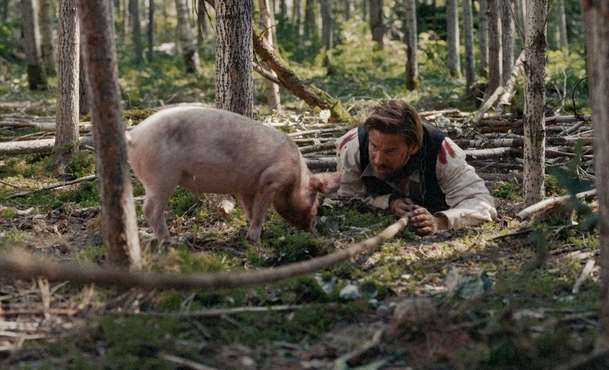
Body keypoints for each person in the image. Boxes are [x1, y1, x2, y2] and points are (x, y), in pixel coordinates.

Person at [335, 100, 496, 236]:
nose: (378, 160)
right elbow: (347, 200)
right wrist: (388, 203)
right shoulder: (353, 147)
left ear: (413, 147)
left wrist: (440, 221)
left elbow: (482, 203)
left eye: (390, 151)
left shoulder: (441, 152)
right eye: (374, 146)